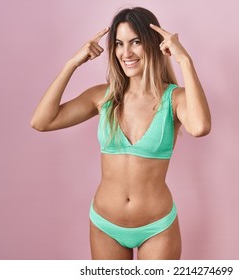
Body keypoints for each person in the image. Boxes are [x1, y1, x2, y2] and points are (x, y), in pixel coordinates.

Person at [30, 7, 211, 260]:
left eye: (135, 42)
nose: (126, 53)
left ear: (153, 45)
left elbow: (200, 127)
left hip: (156, 227)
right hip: (105, 225)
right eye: (119, 44)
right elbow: (41, 121)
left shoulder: (174, 98)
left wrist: (185, 61)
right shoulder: (103, 97)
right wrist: (71, 64)